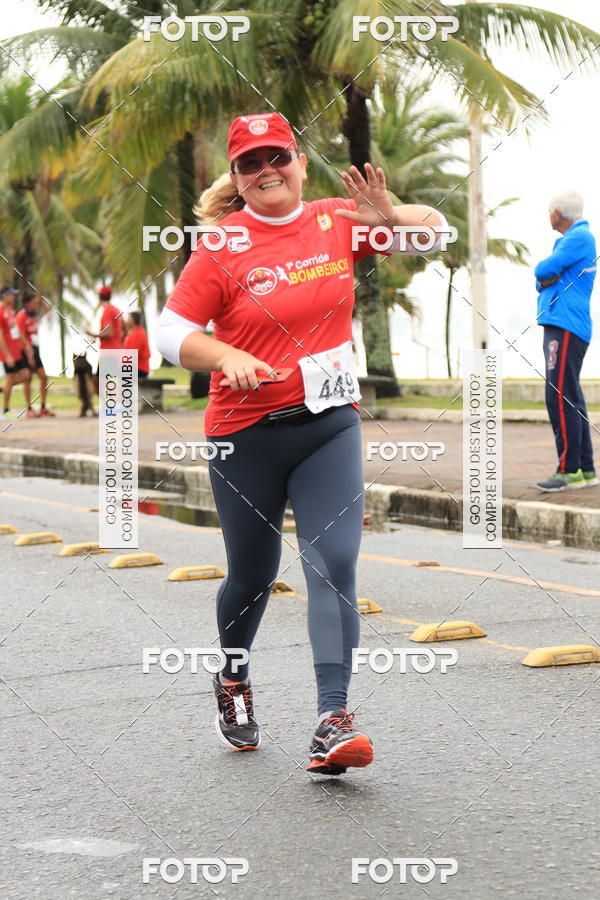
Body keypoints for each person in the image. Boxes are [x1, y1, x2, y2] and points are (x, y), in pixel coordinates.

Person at [156, 112, 449, 775]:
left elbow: (438, 233)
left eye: (277, 157)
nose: (268, 172)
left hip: (327, 425)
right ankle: (232, 680)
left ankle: (332, 718)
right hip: (244, 435)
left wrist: (393, 214)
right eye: (251, 163)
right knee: (253, 578)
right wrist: (223, 352)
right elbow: (171, 333)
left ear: (300, 161)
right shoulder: (223, 244)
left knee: (332, 562)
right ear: (236, 177)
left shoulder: (337, 221)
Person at [534, 191, 598, 491]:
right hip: (566, 323)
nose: (549, 215)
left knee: (558, 396)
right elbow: (544, 279)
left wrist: (545, 276)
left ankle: (567, 470)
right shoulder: (575, 240)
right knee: (570, 395)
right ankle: (585, 469)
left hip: (566, 324)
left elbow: (543, 270)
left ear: (558, 213)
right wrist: (546, 279)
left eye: (550, 210)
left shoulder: (579, 237)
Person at [15, 293, 55, 417]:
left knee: (43, 377)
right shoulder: (21, 316)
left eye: (37, 303)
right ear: (27, 303)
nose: (36, 305)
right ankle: (29, 408)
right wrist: (29, 352)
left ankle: (43, 407)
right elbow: (20, 335)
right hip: (26, 350)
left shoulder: (34, 315)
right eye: (34, 303)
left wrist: (41, 299)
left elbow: (49, 309)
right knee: (28, 379)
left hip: (35, 348)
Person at [0, 286, 35, 419]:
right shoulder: (1, 310)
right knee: (9, 380)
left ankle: (3, 388)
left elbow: (17, 329)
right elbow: (0, 335)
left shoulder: (10, 310)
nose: (14, 297)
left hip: (17, 351)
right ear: (5, 296)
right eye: (11, 295)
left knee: (26, 375)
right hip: (7, 353)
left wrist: (26, 344)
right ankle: (5, 410)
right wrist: (7, 354)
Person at [86, 285, 124, 393]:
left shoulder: (107, 311)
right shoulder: (116, 310)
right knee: (106, 381)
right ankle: (112, 407)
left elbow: (109, 333)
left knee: (105, 383)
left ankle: (113, 408)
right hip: (116, 350)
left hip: (109, 352)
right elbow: (124, 331)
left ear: (99, 297)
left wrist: (93, 334)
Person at [124, 311, 151, 378]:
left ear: (132, 321)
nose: (126, 322)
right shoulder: (135, 333)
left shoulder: (138, 334)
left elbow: (131, 355)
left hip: (139, 368)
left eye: (128, 319)